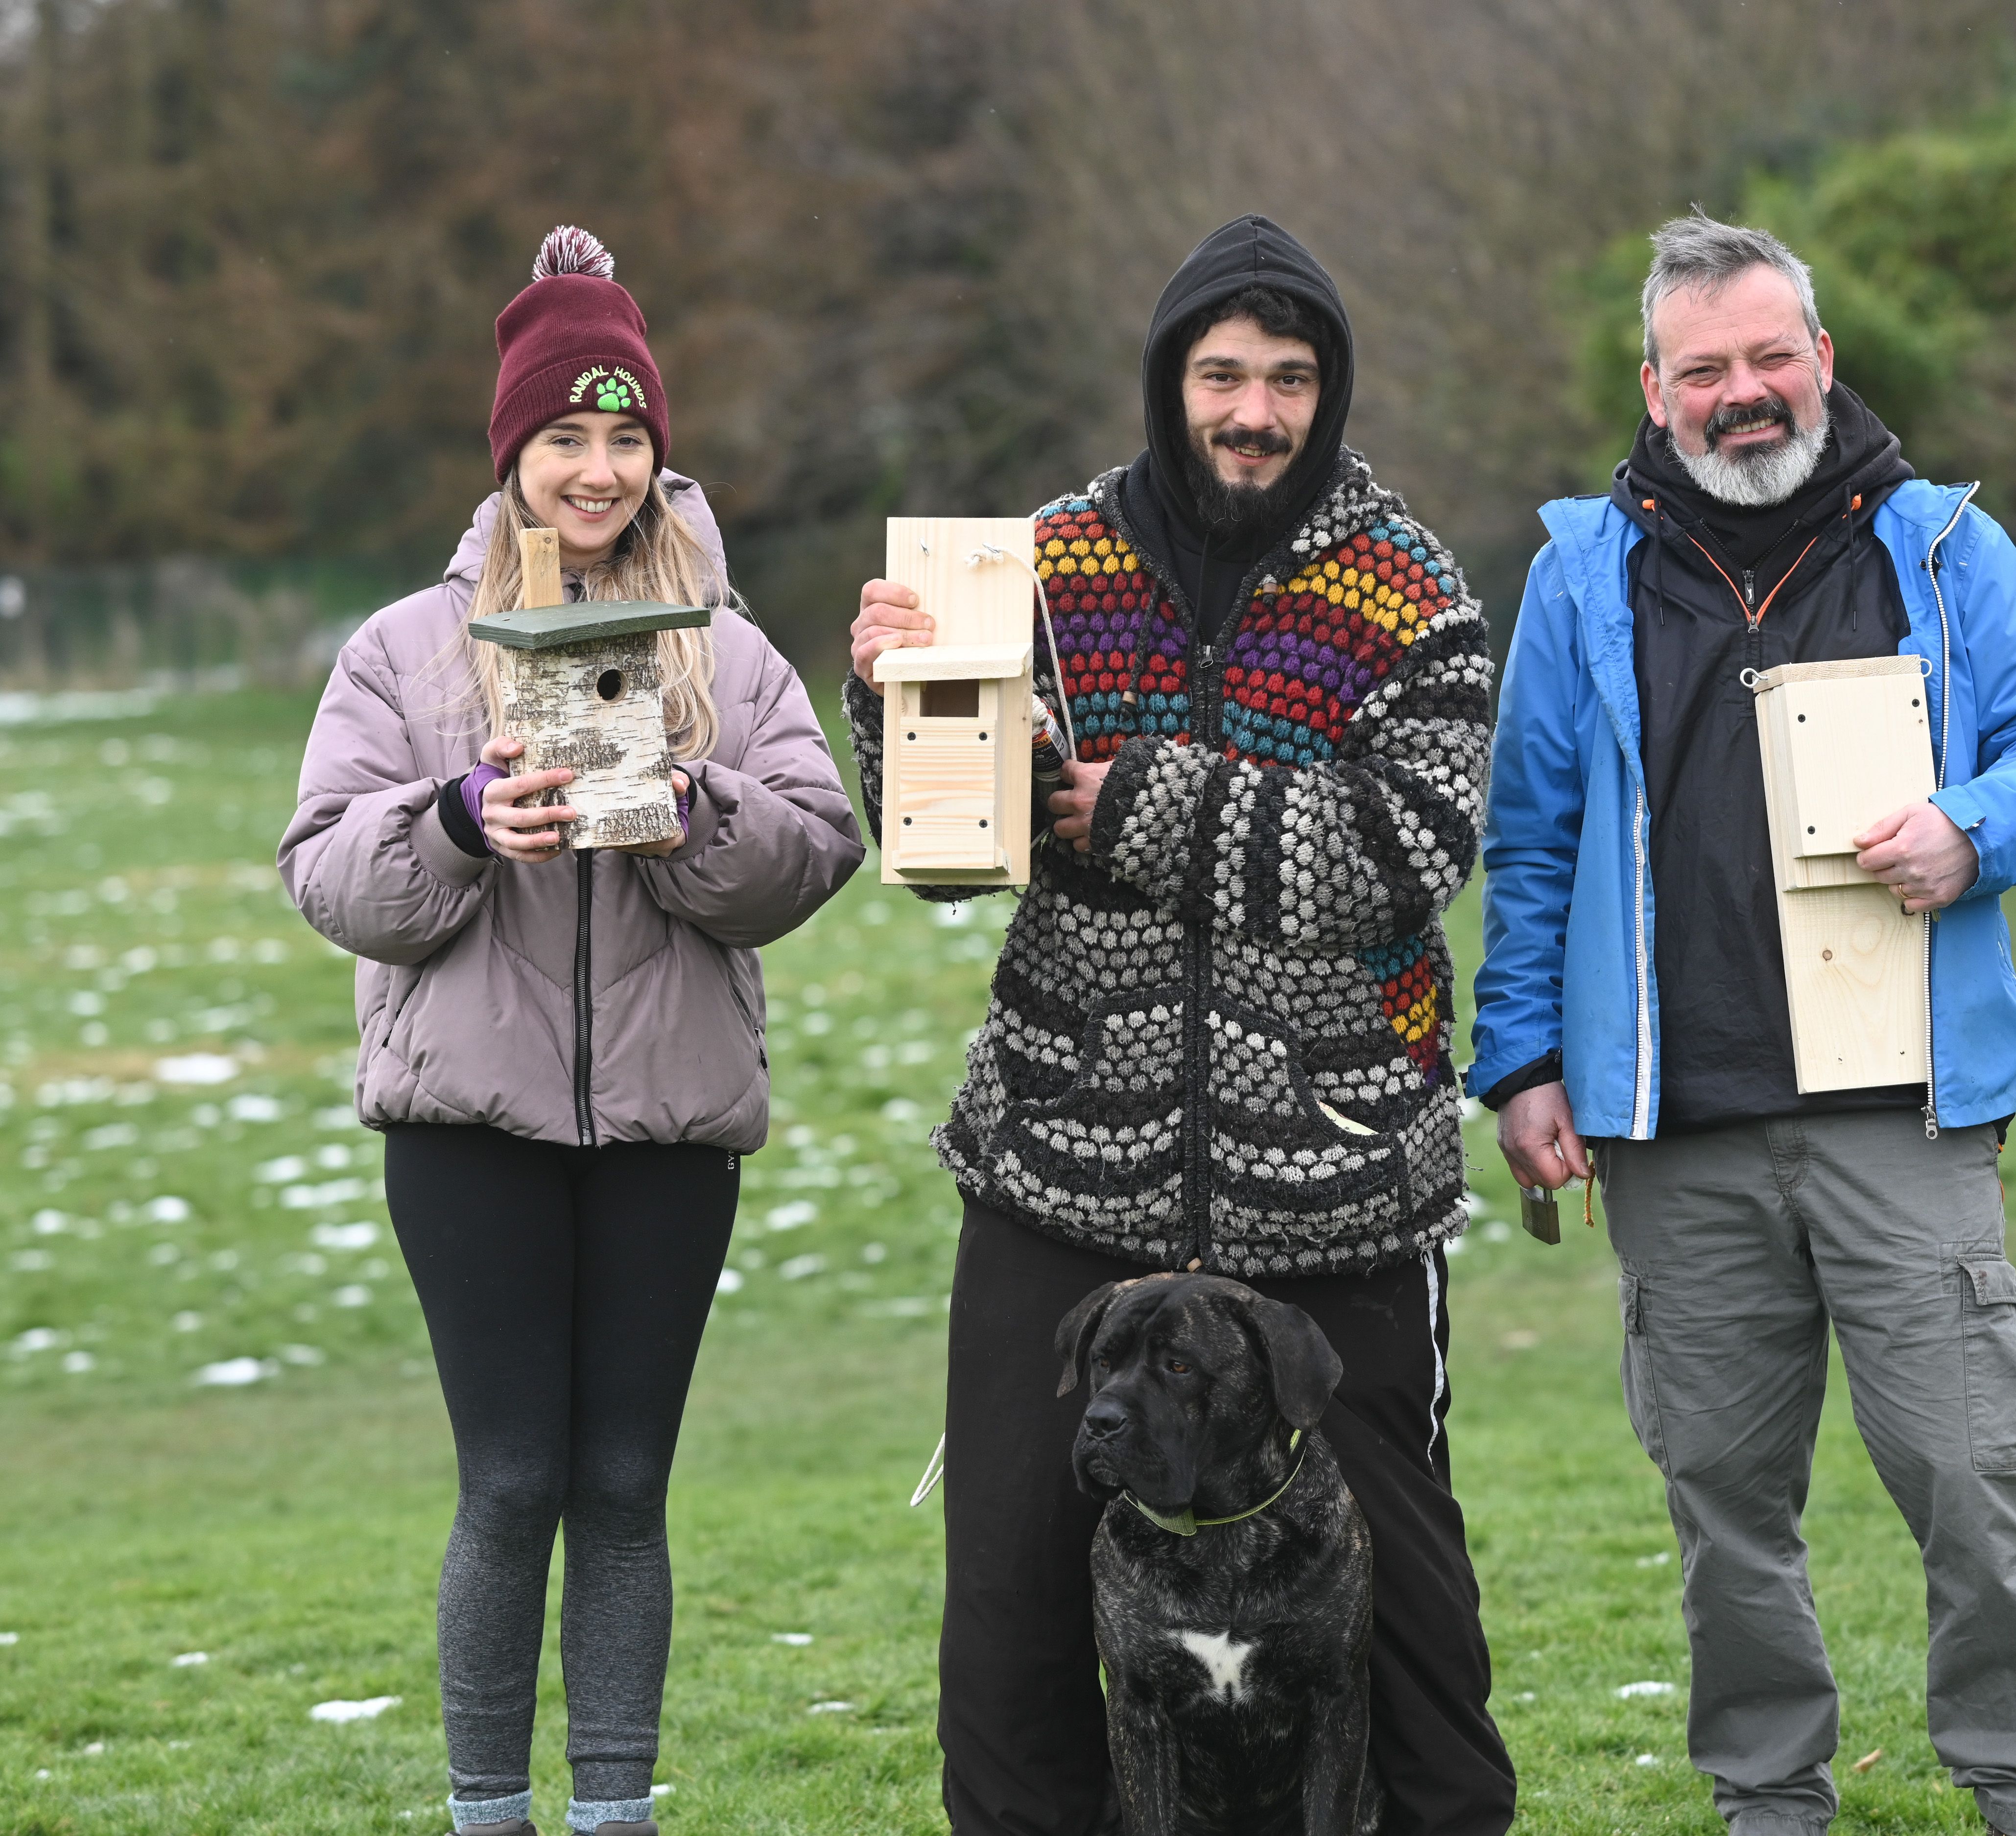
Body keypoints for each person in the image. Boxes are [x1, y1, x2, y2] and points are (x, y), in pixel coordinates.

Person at [845, 214, 1514, 1836]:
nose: (1255, 413)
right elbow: (954, 862)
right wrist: (896, 713)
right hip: (1063, 1167)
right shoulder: (1038, 570)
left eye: (1290, 380)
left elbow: (1405, 851)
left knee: (1413, 1627)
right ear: (1168, 382)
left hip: (1338, 1186)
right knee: (1009, 1611)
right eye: (1223, 375)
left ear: (1329, 394)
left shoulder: (1410, 593)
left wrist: (1140, 801)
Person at [1469, 213, 2016, 1836]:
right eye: (1706, 371)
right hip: (1675, 1129)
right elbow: (1531, 838)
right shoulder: (1576, 576)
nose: (1742, 395)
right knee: (1722, 1506)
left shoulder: (1949, 550)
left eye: (1770, 358)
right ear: (1656, 387)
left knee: (1973, 1482)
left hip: (1905, 1109)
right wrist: (1528, 1062)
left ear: (1822, 359)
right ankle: (1772, 1802)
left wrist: (1973, 825)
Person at [279, 226, 863, 1836]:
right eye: (565, 439)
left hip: (669, 1133)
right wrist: (461, 821)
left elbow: (816, 850)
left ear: (657, 453)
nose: (597, 471)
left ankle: (615, 1813)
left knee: (622, 1491)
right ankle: (490, 1811)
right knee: (514, 1482)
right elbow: (330, 876)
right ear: (513, 453)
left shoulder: (729, 653)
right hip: (469, 1134)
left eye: (625, 439)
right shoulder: (405, 650)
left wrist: (696, 814)